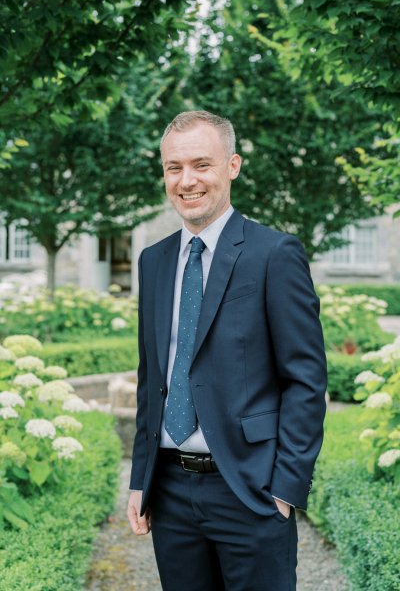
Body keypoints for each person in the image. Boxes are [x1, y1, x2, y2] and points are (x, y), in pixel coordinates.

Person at [127, 110, 327, 591]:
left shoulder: (275, 254)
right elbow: (151, 378)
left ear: (232, 166)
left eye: (202, 164)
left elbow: (305, 379)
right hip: (170, 494)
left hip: (251, 491)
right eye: (174, 167)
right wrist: (141, 478)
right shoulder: (153, 262)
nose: (187, 180)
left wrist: (285, 489)